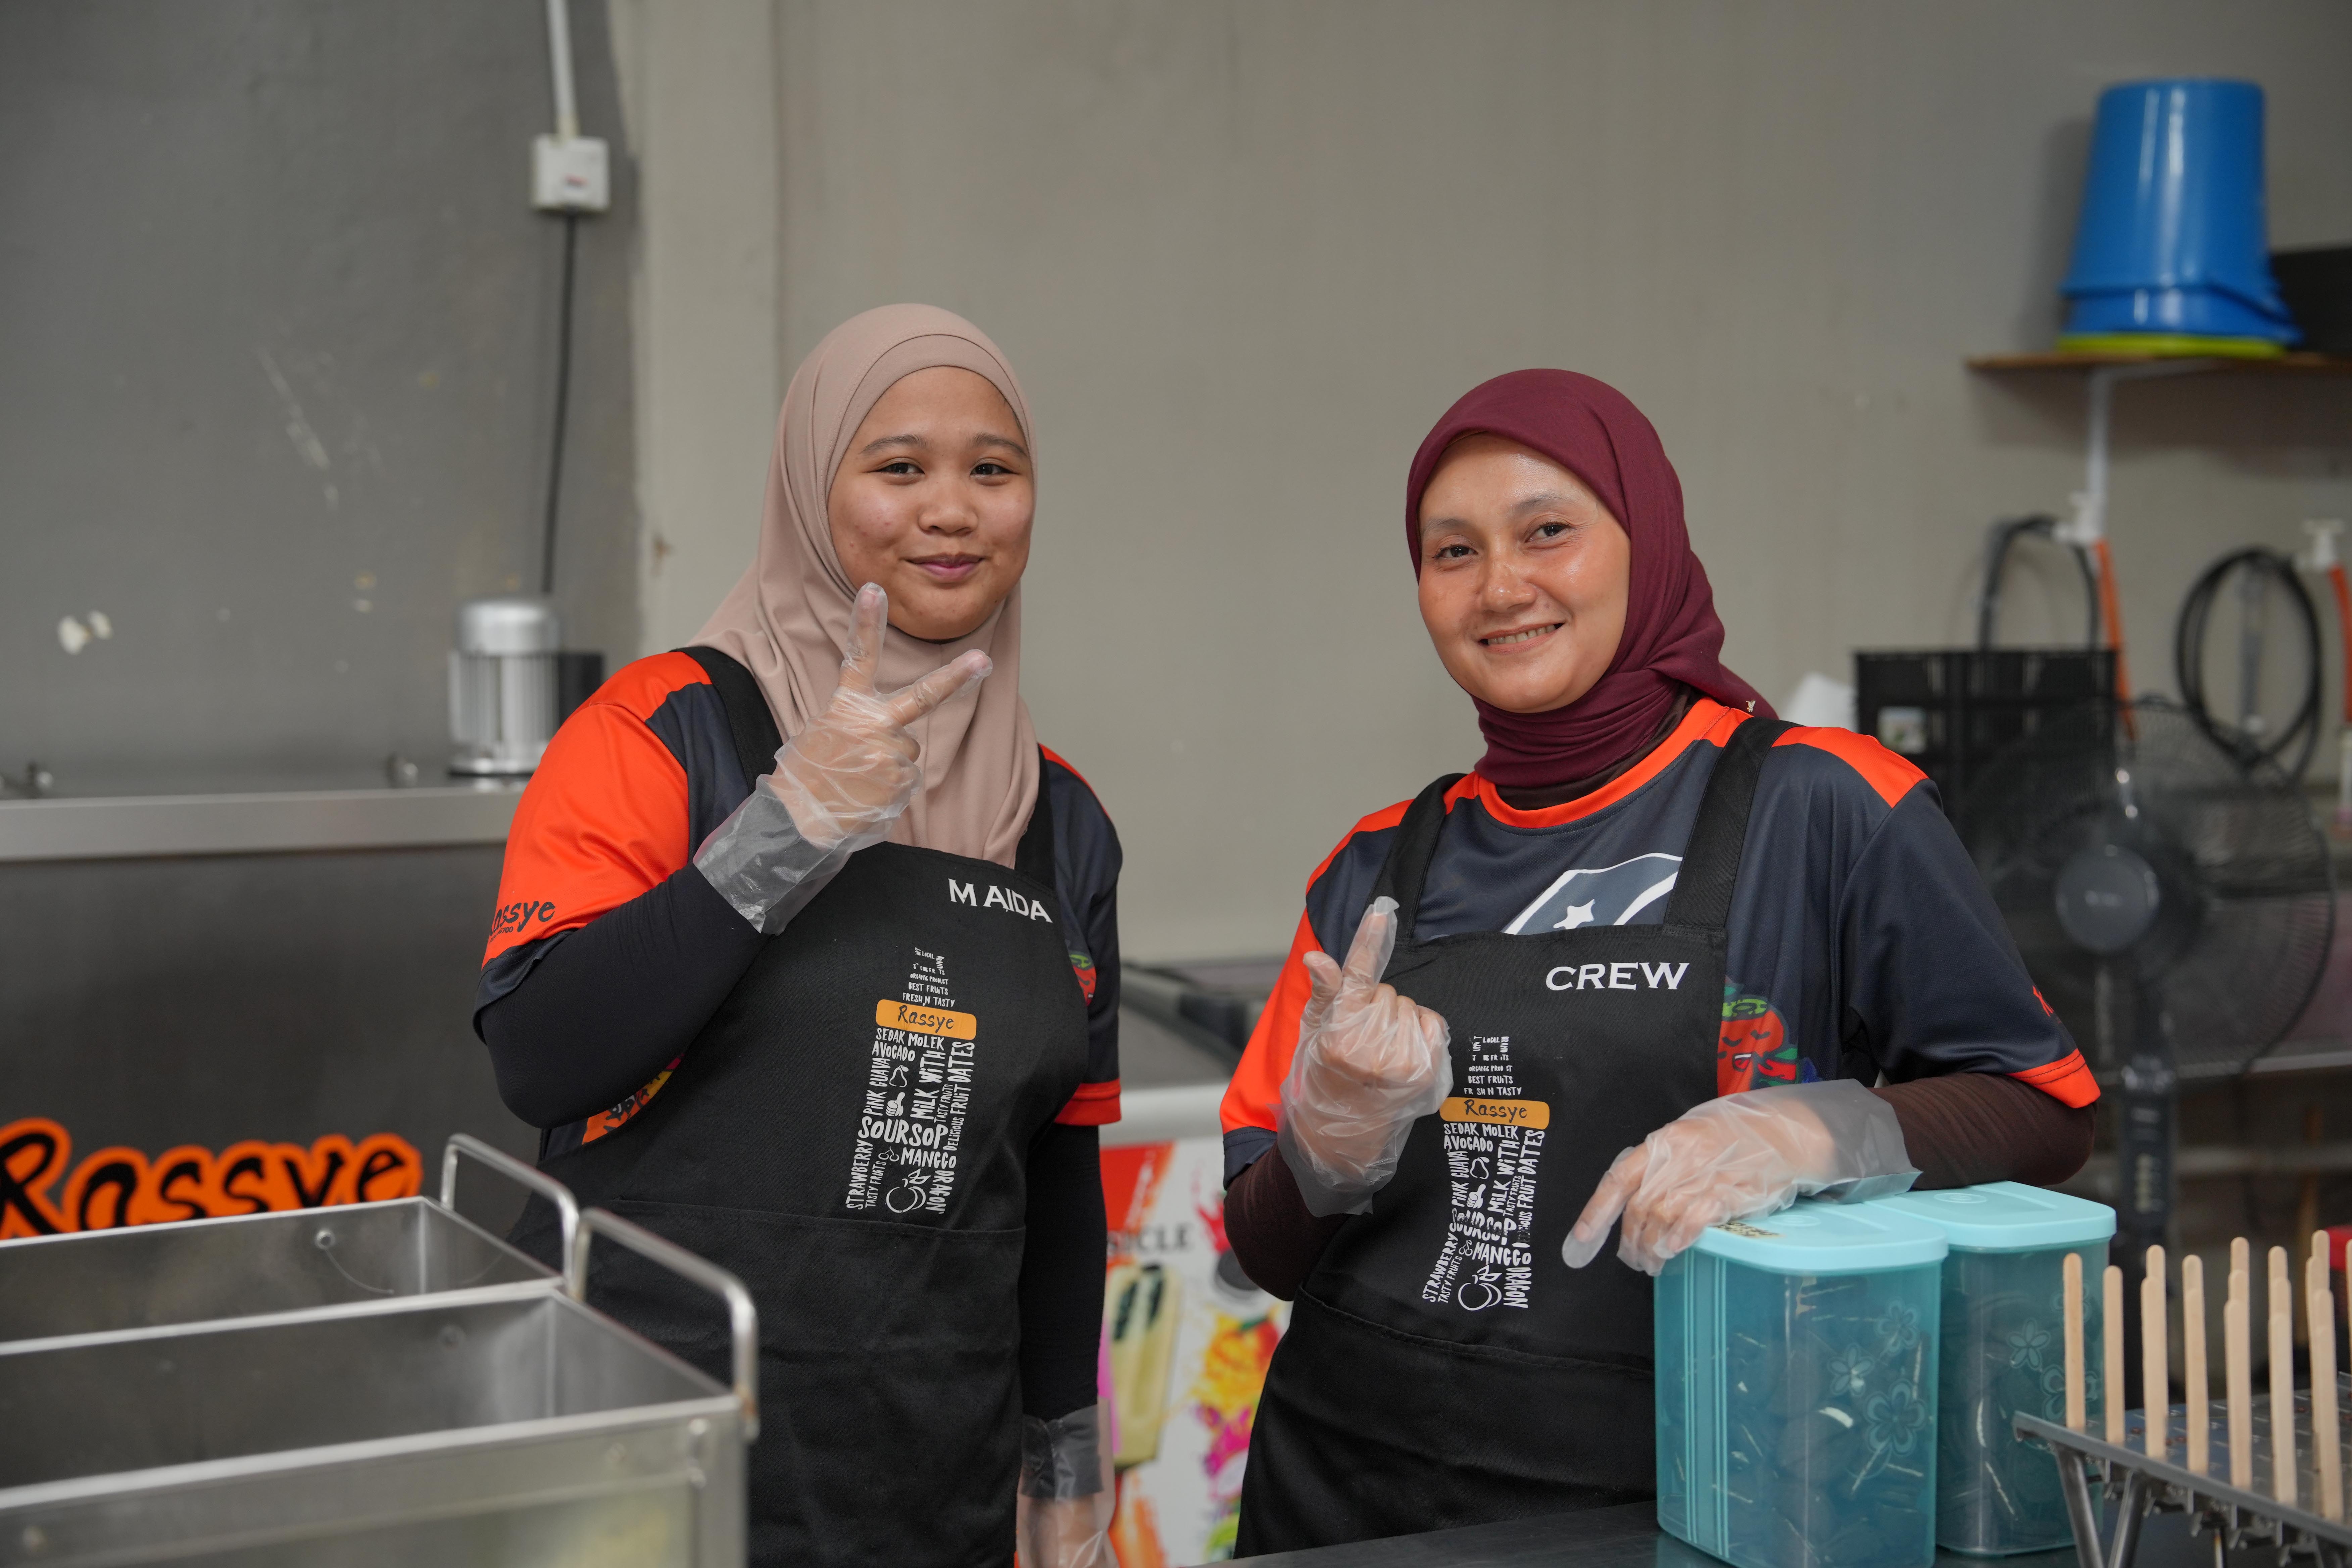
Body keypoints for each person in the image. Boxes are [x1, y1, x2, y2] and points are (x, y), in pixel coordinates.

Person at [1218, 370, 2099, 1552]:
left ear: (1650, 543)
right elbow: (1268, 1252)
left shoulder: (1824, 806)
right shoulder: (1373, 866)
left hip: (1686, 1490)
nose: (1501, 587)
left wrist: (1814, 1134)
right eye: (1453, 551)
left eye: (1547, 532)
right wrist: (1328, 1145)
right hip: (1343, 1489)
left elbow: (2043, 1107)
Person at [474, 305, 1120, 1568]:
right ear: (810, 486)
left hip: (927, 1474)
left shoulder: (1063, 818)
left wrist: (1066, 1468)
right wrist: (782, 831)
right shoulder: (661, 729)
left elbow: (1057, 1172)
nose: (952, 511)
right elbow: (542, 1061)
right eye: (899, 467)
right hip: (642, 1461)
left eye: (994, 470)